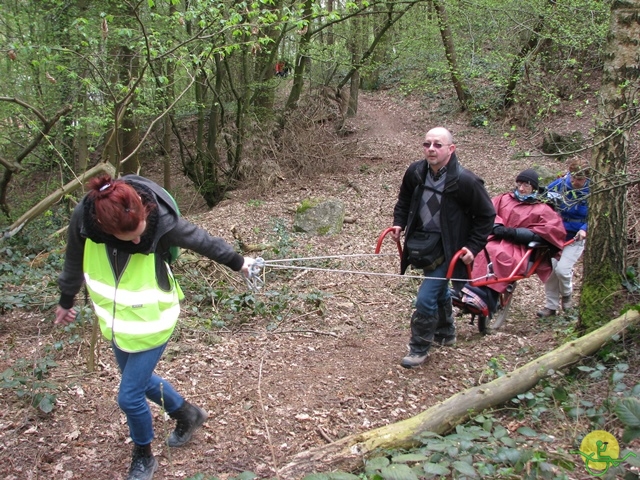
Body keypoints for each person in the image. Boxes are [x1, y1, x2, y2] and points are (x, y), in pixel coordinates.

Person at [55, 174, 254, 480]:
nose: (138, 240)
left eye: (140, 232)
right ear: (106, 230)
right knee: (140, 381)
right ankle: (187, 413)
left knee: (129, 395)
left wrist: (239, 262)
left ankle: (143, 456)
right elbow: (73, 259)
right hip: (118, 321)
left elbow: (202, 241)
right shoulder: (85, 220)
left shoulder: (160, 220)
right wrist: (66, 300)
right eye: (129, 237)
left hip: (155, 319)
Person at [391, 127, 496, 368]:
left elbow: (486, 215)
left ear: (451, 149)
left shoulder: (466, 181)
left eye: (438, 145)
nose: (431, 149)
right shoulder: (416, 172)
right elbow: (404, 199)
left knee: (425, 298)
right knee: (437, 288)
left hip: (450, 247)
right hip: (422, 242)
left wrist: (473, 246)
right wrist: (399, 223)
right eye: (427, 144)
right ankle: (446, 332)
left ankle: (419, 348)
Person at [460, 168, 566, 314]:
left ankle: (486, 297)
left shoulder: (542, 208)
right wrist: (496, 226)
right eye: (519, 184)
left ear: (534, 188)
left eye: (526, 186)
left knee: (500, 254)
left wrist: (515, 233)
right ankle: (473, 290)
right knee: (481, 250)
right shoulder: (504, 199)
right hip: (496, 238)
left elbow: (550, 230)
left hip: (520, 247)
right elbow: (486, 212)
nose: (521, 189)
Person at [537, 157, 590, 317]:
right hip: (557, 234)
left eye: (579, 179)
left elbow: (596, 214)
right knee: (552, 270)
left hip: (576, 238)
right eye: (573, 177)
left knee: (562, 270)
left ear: (586, 178)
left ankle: (567, 298)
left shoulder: (592, 191)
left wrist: (584, 229)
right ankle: (550, 306)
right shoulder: (561, 184)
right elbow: (544, 197)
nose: (574, 181)